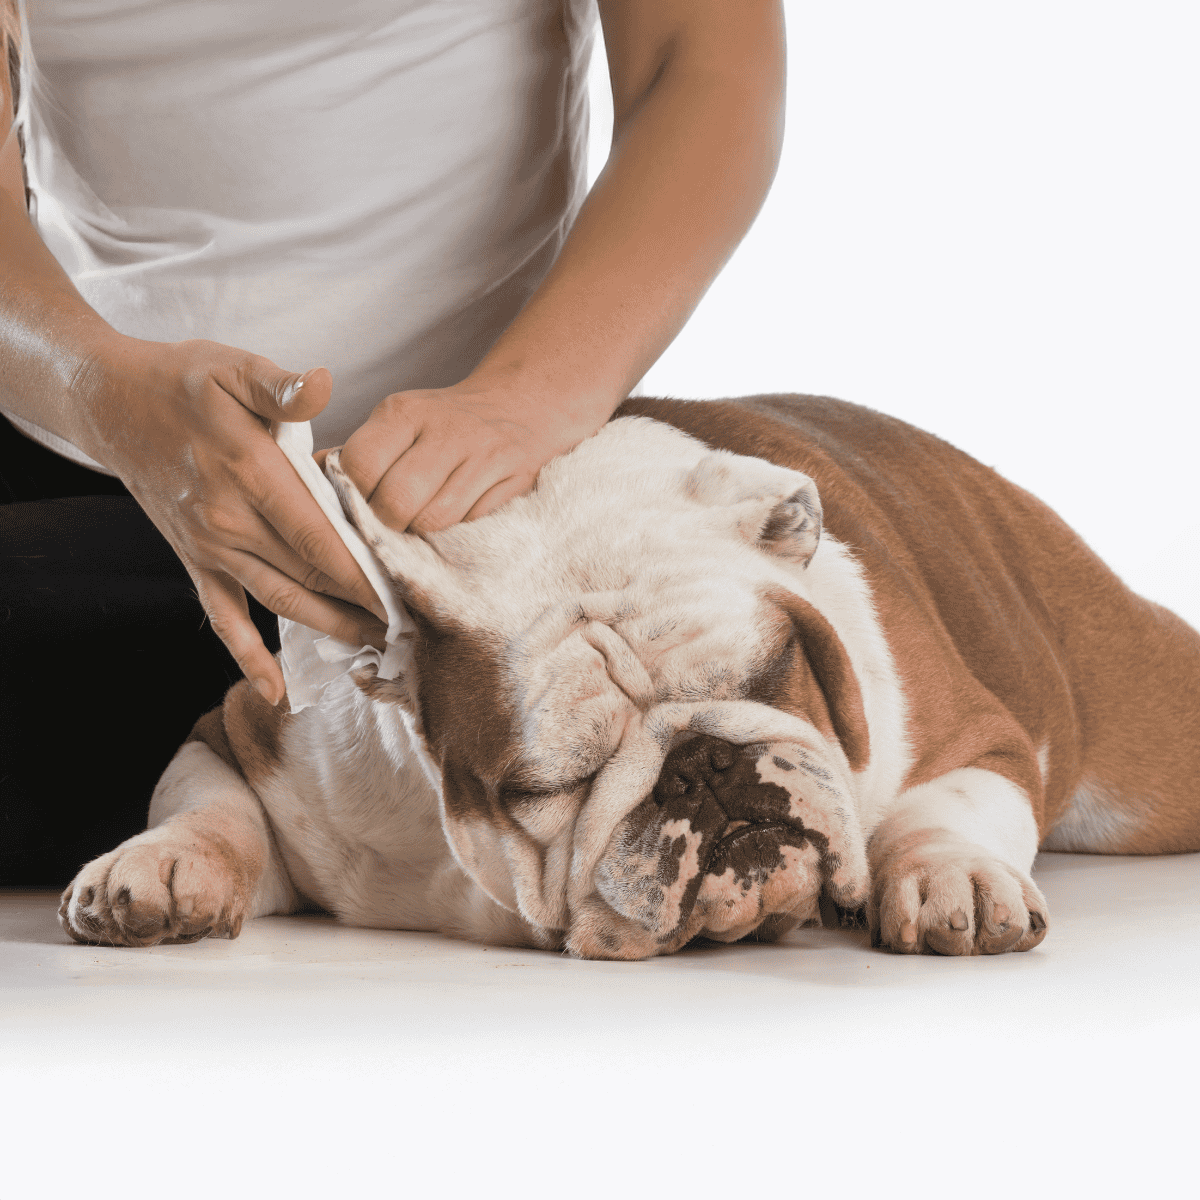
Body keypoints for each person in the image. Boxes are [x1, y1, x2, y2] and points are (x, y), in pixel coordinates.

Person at [0, 0, 786, 882]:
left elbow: (702, 63)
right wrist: (100, 391)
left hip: (455, 492)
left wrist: (527, 400)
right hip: (67, 433)